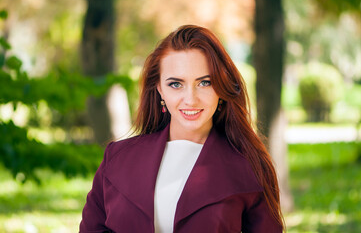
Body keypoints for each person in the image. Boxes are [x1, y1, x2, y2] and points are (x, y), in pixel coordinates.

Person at [79, 25, 284, 233]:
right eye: (176, 84)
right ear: (159, 89)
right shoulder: (117, 158)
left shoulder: (249, 167)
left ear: (221, 87)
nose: (190, 100)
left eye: (204, 83)